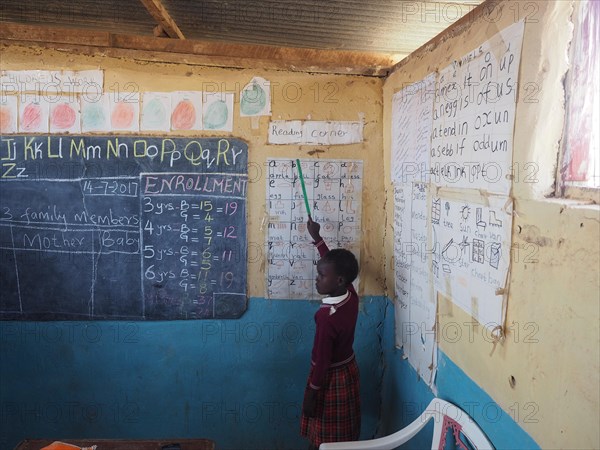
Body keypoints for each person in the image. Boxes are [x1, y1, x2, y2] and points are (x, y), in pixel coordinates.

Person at [300, 216, 361, 450]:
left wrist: (312, 394)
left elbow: (322, 360)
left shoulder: (326, 316)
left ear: (339, 280)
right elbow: (333, 265)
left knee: (323, 437)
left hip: (328, 379)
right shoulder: (351, 296)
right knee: (343, 435)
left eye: (321, 276)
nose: (316, 279)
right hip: (348, 370)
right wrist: (318, 240)